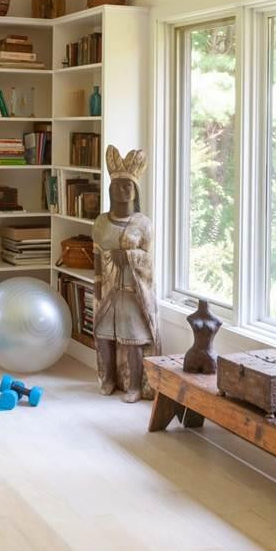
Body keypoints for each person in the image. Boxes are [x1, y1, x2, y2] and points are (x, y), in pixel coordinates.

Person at [91, 146, 160, 402]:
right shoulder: (100, 222)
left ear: (135, 190)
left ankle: (134, 385)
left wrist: (130, 257)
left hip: (133, 291)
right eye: (117, 186)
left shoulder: (143, 223)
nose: (122, 190)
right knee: (104, 335)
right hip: (109, 290)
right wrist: (97, 285)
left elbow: (149, 261)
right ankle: (108, 378)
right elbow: (97, 255)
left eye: (127, 186)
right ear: (110, 190)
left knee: (133, 340)